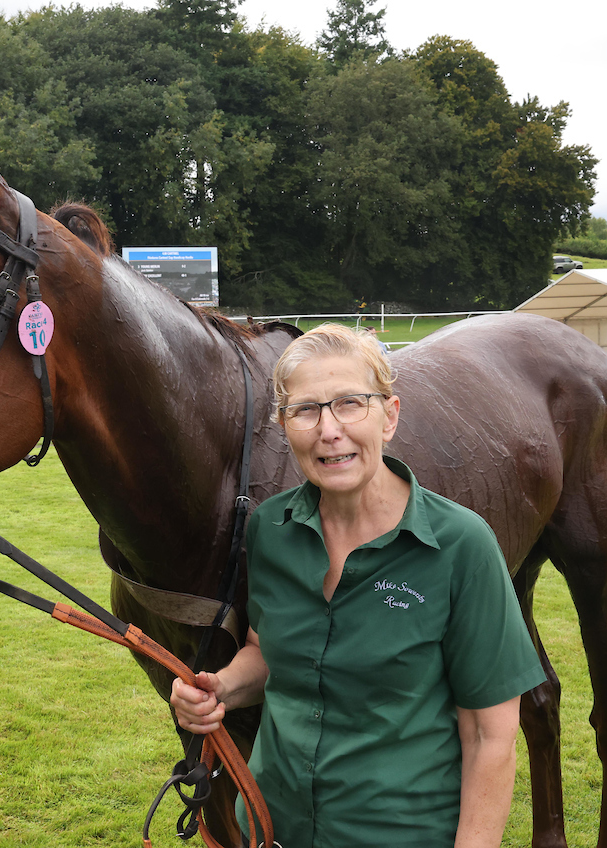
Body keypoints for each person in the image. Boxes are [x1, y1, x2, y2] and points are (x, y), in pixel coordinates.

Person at [171, 323, 545, 848]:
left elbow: (490, 735)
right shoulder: (270, 529)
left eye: (349, 403)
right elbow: (268, 651)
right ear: (284, 425)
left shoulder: (460, 546)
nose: (329, 429)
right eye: (306, 409)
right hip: (271, 829)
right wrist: (222, 689)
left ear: (389, 416)